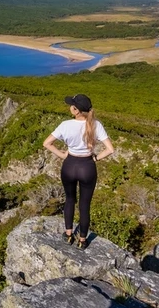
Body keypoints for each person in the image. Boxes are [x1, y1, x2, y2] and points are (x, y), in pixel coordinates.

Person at [42, 94, 115, 249]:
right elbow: (110, 149)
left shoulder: (65, 125)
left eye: (71, 105)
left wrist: (62, 154)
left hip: (69, 165)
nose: (70, 107)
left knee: (69, 200)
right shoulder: (96, 125)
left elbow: (47, 143)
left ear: (76, 110)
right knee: (84, 205)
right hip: (87, 167)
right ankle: (83, 240)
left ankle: (68, 235)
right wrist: (95, 159)